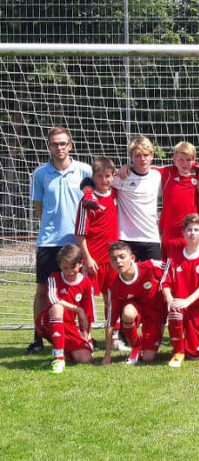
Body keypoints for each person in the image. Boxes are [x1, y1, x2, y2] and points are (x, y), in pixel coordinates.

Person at [28, 126, 92, 354]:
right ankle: (38, 336)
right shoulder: (40, 174)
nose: (59, 147)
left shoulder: (85, 170)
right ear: (49, 146)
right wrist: (50, 225)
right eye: (55, 143)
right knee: (43, 290)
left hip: (76, 241)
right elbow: (38, 206)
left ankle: (84, 333)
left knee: (81, 288)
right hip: (49, 241)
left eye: (63, 143)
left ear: (70, 145)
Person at [75, 157, 125, 351]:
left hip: (112, 260)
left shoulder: (116, 194)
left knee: (112, 299)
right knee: (86, 300)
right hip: (93, 260)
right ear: (93, 177)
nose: (104, 180)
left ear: (112, 176)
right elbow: (80, 234)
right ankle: (85, 337)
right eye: (99, 176)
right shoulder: (87, 201)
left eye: (107, 176)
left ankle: (113, 338)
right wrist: (87, 258)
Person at [161, 214, 199, 368]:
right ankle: (178, 351)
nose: (192, 233)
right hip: (180, 306)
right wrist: (170, 301)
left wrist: (187, 301)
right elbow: (165, 283)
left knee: (195, 354)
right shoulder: (173, 256)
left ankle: (191, 345)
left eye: (196, 229)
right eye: (189, 230)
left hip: (198, 308)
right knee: (175, 311)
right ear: (183, 233)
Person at [103, 242, 167, 365]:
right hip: (137, 311)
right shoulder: (114, 287)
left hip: (156, 313)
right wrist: (107, 355)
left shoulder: (151, 266)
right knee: (127, 312)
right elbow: (110, 322)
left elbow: (172, 269)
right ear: (110, 263)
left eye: (122, 257)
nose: (119, 262)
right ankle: (136, 347)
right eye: (114, 259)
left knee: (148, 357)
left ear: (132, 258)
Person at [34, 244, 94, 373]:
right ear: (60, 266)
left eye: (73, 267)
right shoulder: (54, 277)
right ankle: (59, 358)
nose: (69, 272)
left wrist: (86, 337)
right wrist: (77, 309)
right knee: (57, 308)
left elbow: (88, 313)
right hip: (47, 322)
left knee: (85, 358)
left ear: (80, 263)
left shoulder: (86, 283)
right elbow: (53, 299)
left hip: (69, 327)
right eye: (65, 268)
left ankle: (64, 350)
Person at [111, 135, 162, 261]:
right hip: (127, 238)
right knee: (126, 278)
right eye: (137, 156)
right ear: (131, 157)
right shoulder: (122, 176)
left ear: (152, 155)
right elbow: (96, 180)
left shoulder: (157, 176)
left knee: (154, 277)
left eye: (145, 155)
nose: (142, 159)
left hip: (151, 237)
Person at [158, 141, 199, 259]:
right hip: (171, 234)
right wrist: (127, 167)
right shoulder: (167, 173)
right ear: (174, 159)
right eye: (181, 159)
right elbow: (144, 168)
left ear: (194, 160)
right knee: (169, 268)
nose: (185, 163)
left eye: (188, 160)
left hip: (191, 231)